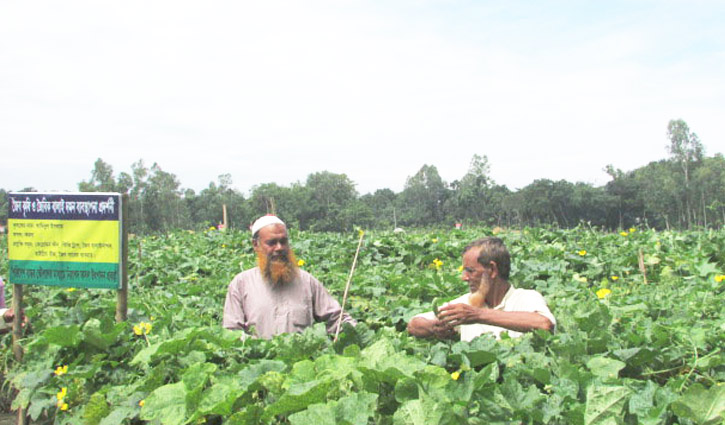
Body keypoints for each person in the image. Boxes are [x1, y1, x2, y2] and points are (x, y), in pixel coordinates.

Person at [223, 215, 356, 339]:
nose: (279, 248)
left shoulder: (306, 281)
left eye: (283, 241)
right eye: (272, 243)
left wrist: (358, 333)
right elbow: (231, 334)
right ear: (256, 245)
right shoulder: (241, 284)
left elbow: (336, 319)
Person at [408, 237, 555, 341]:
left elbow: (544, 324)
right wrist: (434, 327)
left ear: (492, 269)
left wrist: (477, 315)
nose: (464, 278)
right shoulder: (465, 305)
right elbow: (414, 324)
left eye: (470, 271)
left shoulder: (525, 298)